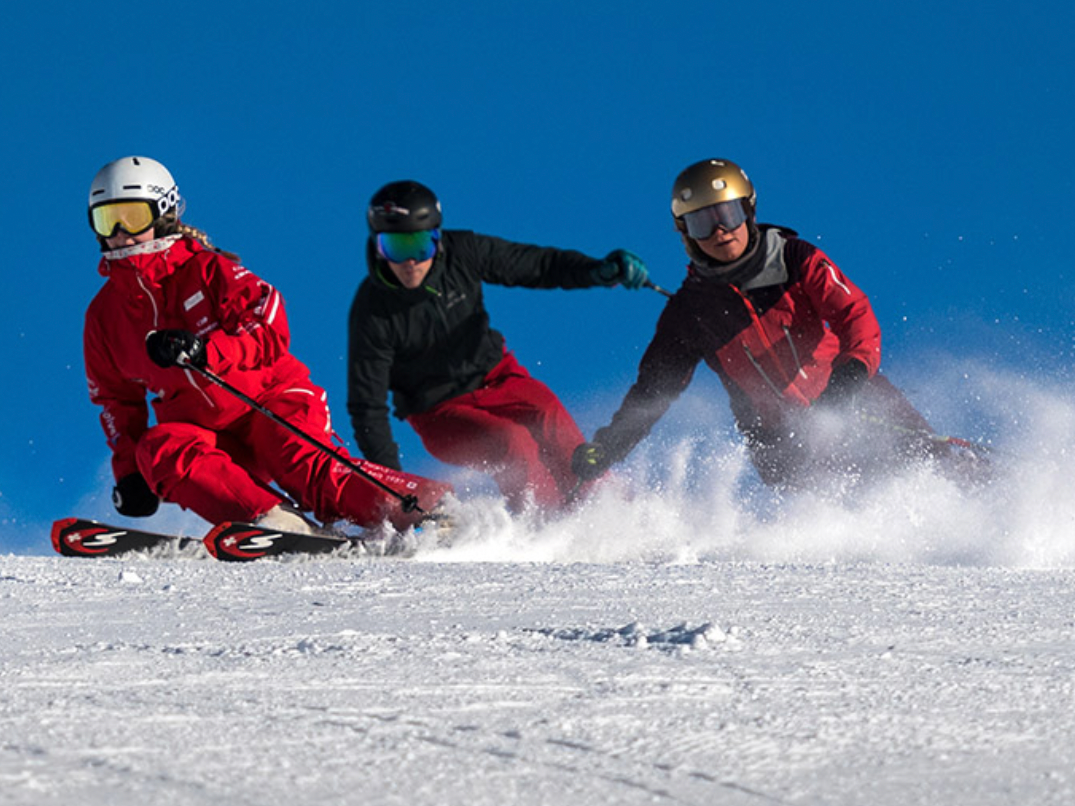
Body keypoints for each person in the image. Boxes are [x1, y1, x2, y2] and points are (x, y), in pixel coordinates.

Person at [84, 156, 451, 535]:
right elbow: (116, 401)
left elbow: (269, 322)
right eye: (106, 220)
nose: (120, 233)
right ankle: (274, 521)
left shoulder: (206, 270)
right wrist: (130, 474)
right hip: (206, 434)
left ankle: (434, 509)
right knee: (159, 449)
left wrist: (206, 351)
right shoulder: (104, 316)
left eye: (132, 216)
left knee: (300, 463)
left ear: (163, 213)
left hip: (271, 401)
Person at [572, 157, 958, 491]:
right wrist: (607, 447)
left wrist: (849, 380)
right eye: (702, 223)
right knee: (849, 504)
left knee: (934, 464)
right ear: (685, 233)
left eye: (728, 214)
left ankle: (997, 504)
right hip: (783, 442)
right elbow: (653, 391)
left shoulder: (791, 258)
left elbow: (853, 314)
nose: (720, 230)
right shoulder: (689, 313)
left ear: (749, 211)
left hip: (853, 396)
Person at [347, 180, 650, 512]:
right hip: (439, 412)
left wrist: (595, 271)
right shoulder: (372, 310)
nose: (410, 262)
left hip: (498, 377)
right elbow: (368, 408)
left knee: (548, 414)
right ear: (377, 247)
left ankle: (612, 510)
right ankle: (546, 522)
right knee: (512, 443)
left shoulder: (463, 253)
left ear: (437, 238)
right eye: (395, 248)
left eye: (420, 246)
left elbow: (535, 264)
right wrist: (395, 487)